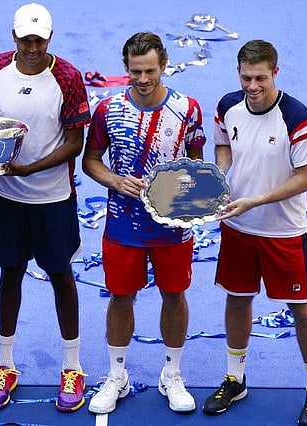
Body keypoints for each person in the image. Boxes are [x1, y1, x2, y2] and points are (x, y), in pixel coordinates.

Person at [201, 39, 307, 426]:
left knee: (301, 310)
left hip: (283, 231)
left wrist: (256, 200)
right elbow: (223, 146)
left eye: (259, 78)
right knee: (237, 300)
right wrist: (220, 176)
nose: (252, 86)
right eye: (245, 78)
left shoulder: (297, 117)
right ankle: (235, 379)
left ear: (275, 73)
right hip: (237, 225)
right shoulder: (227, 106)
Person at [0, 3, 91, 412]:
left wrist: (27, 167)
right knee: (10, 274)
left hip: (53, 198)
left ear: (50, 38)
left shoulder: (69, 78)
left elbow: (75, 142)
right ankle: (5, 364)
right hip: (7, 198)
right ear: (14, 37)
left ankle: (72, 367)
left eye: (39, 39)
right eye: (26, 39)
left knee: (61, 276)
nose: (33, 46)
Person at [82, 32, 205, 415]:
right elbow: (91, 161)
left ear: (164, 66)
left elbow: (199, 167)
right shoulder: (108, 109)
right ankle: (117, 375)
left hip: (173, 228)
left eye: (150, 70)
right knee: (121, 296)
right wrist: (115, 180)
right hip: (122, 225)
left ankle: (172, 373)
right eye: (135, 71)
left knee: (173, 294)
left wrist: (182, 195)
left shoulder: (188, 109)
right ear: (125, 68)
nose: (143, 78)